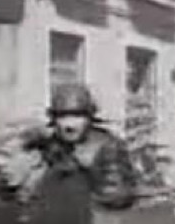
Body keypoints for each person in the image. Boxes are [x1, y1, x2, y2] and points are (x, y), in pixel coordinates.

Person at [45, 82, 137, 211]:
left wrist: (84, 174)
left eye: (77, 116)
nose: (69, 125)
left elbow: (117, 196)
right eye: (62, 116)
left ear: (90, 118)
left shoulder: (108, 147)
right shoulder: (52, 145)